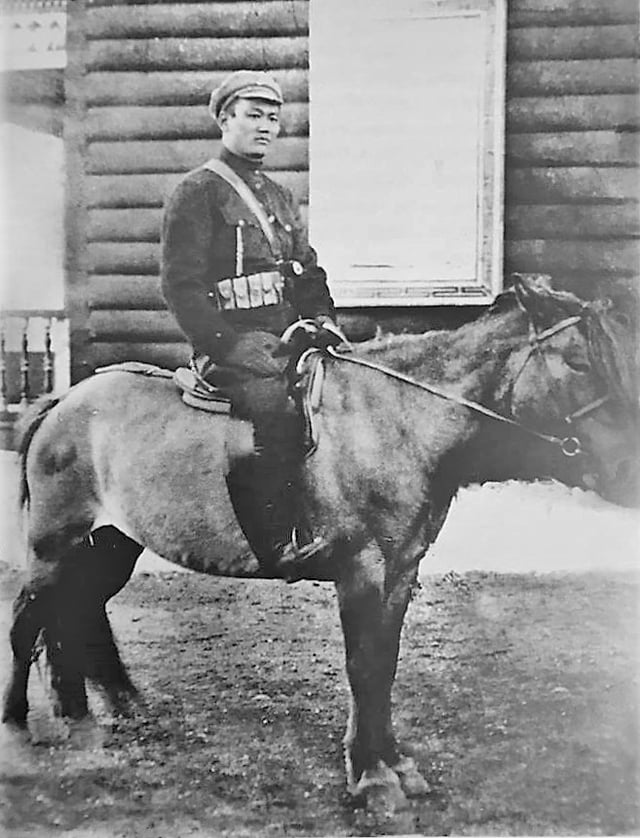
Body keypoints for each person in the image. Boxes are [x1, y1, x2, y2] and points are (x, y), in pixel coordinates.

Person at [161, 69, 342, 575]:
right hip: (233, 351)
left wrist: (323, 318)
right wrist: (229, 346)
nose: (265, 127)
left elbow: (306, 269)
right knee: (276, 411)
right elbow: (181, 287)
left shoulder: (280, 197)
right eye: (253, 116)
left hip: (285, 341)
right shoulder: (198, 192)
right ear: (225, 119)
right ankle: (274, 542)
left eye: (273, 119)